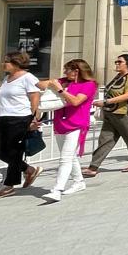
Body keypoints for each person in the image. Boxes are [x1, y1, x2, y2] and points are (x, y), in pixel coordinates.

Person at [0, 51, 45, 199]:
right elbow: (1, 101)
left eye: (6, 61)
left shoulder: (28, 78)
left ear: (16, 63)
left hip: (21, 118)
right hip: (4, 118)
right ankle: (29, 169)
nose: (3, 64)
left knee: (14, 152)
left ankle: (9, 185)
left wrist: (33, 119)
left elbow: (35, 100)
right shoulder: (6, 79)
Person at [42, 59, 97, 201]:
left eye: (67, 70)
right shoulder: (64, 81)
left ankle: (57, 189)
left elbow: (75, 101)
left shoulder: (89, 85)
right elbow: (41, 85)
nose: (65, 72)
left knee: (65, 158)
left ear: (76, 71)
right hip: (60, 122)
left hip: (77, 124)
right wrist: (49, 83)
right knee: (69, 156)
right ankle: (79, 182)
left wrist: (60, 89)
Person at [85, 53, 128, 176]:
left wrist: (106, 102)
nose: (116, 64)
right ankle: (93, 166)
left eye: (119, 62)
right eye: (116, 62)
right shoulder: (118, 77)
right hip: (111, 113)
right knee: (105, 140)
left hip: (125, 113)